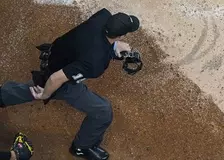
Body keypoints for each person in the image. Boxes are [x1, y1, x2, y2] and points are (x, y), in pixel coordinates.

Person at [0, 9, 140, 160]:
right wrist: (46, 94)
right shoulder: (94, 63)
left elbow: (93, 40)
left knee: (35, 87)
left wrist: (113, 47)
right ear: (121, 35)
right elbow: (56, 78)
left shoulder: (102, 16)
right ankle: (82, 148)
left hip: (56, 53)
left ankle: (4, 95)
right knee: (102, 111)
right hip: (55, 74)